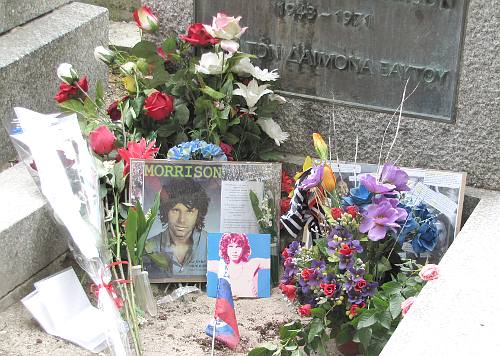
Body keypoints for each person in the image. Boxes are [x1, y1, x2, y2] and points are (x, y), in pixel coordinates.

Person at [145, 178, 210, 279]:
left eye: (189, 211)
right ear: (165, 211)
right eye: (175, 210)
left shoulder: (212, 245)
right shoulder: (148, 248)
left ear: (199, 213)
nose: (182, 220)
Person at [208, 233, 270, 298]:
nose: (234, 251)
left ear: (244, 248)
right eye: (230, 246)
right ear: (225, 248)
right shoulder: (220, 266)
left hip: (250, 304)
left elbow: (269, 262)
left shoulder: (253, 264)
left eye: (238, 247)